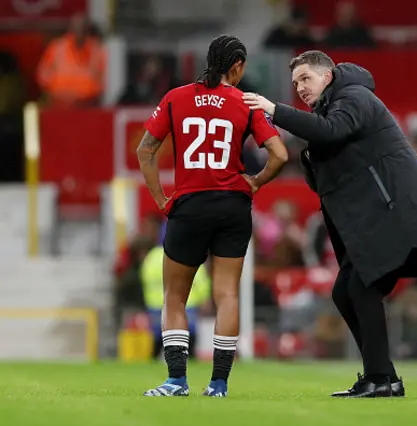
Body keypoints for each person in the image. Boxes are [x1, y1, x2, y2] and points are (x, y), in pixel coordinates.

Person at [243, 51, 417, 398]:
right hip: (376, 219)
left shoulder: (355, 96)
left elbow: (332, 132)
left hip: (395, 215)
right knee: (345, 291)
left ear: (327, 76)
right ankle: (382, 376)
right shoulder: (329, 110)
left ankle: (382, 378)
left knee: (361, 288)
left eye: (305, 78)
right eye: (295, 83)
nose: (299, 88)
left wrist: (274, 111)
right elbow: (323, 180)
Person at [137, 35, 288, 397]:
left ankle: (176, 381)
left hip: (189, 205)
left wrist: (161, 199)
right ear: (236, 66)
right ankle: (218, 384)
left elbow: (146, 150)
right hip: (232, 206)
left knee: (174, 296)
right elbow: (280, 154)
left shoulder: (176, 97)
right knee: (226, 294)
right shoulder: (245, 102)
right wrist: (255, 183)